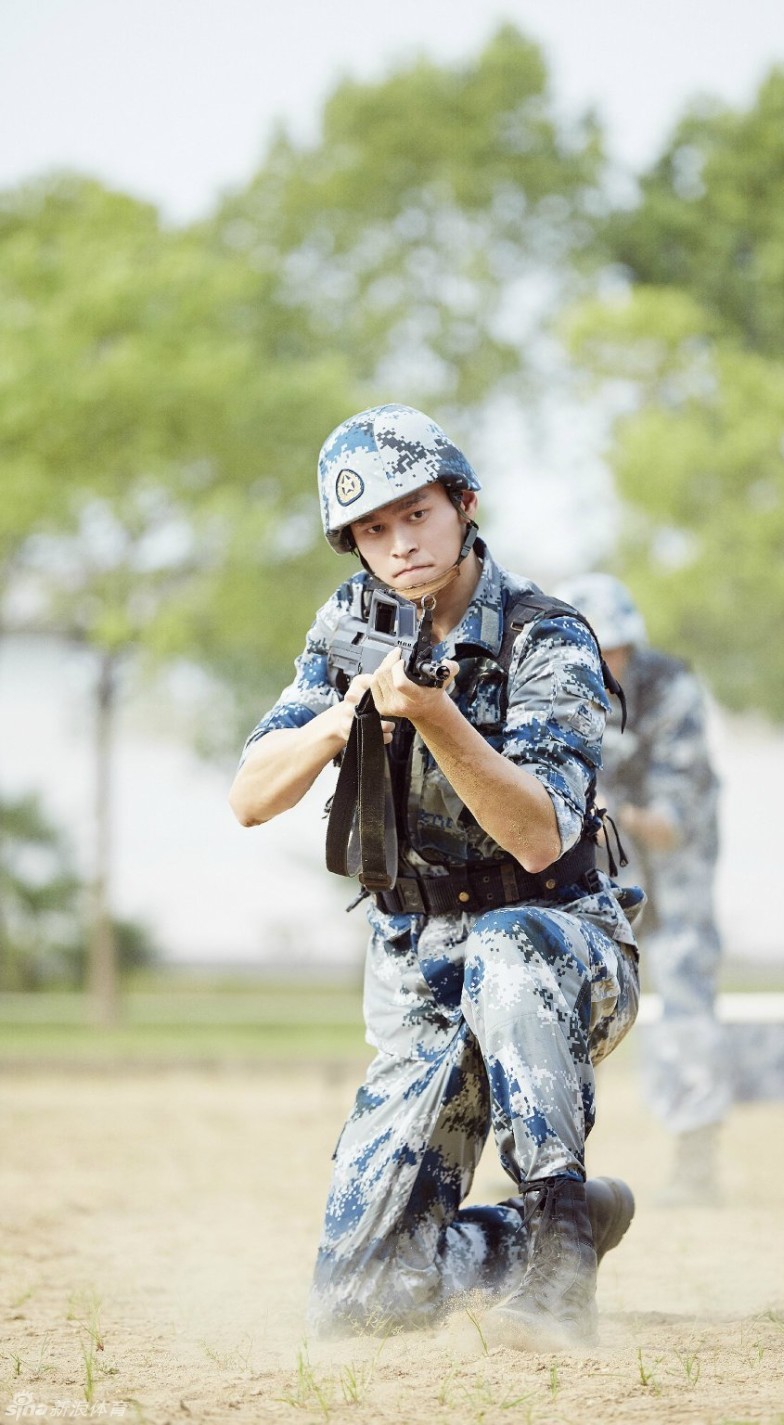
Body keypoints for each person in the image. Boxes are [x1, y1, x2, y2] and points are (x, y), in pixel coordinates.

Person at [228, 405, 641, 1348]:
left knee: (508, 945)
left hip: (560, 951)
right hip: (419, 979)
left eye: (415, 514)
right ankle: (521, 1239)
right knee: (355, 1304)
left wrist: (431, 714)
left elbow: (541, 838)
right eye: (372, 530)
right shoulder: (348, 629)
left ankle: (561, 1242)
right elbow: (249, 795)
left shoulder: (550, 637)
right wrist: (342, 718)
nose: (398, 544)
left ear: (464, 504)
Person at [554, 573, 729, 1206]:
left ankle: (696, 1160)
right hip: (601, 866)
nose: (609, 662)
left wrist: (608, 812)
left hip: (672, 869)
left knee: (684, 998)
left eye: (617, 648)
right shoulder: (561, 690)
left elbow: (673, 826)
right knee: (566, 1002)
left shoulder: (671, 692)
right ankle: (549, 1169)